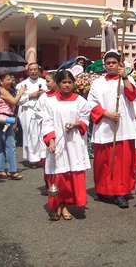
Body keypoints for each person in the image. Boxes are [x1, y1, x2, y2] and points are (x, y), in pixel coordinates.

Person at [87, 50, 136, 208]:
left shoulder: (126, 80)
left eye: (114, 63)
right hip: (104, 126)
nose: (111, 66)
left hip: (123, 128)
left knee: (122, 163)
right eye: (108, 63)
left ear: (119, 64)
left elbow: (133, 96)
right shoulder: (97, 83)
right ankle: (103, 189)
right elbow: (90, 103)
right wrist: (106, 113)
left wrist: (125, 78)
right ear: (104, 65)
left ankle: (121, 193)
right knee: (104, 161)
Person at [41, 70, 91, 221]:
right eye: (64, 82)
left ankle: (67, 205)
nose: (67, 85)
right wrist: (50, 140)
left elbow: (85, 118)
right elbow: (47, 122)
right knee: (58, 175)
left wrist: (76, 124)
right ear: (58, 83)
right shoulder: (50, 102)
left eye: (70, 82)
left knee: (71, 174)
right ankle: (57, 204)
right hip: (57, 143)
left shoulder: (80, 100)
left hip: (74, 142)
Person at [0, 72, 26, 180]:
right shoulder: (1, 90)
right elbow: (14, 101)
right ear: (0, 81)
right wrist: (20, 93)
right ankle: (12, 170)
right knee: (10, 145)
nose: (10, 81)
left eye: (10, 79)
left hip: (0, 119)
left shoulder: (0, 90)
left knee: (1, 145)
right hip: (5, 119)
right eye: (7, 79)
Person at [16, 63, 47, 168]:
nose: (33, 71)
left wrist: (44, 93)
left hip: (43, 112)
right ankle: (33, 160)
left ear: (38, 70)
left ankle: (43, 157)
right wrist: (30, 95)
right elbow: (18, 100)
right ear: (28, 71)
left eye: (35, 69)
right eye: (31, 70)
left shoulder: (45, 82)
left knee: (42, 135)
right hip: (29, 111)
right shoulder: (22, 84)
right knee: (31, 135)